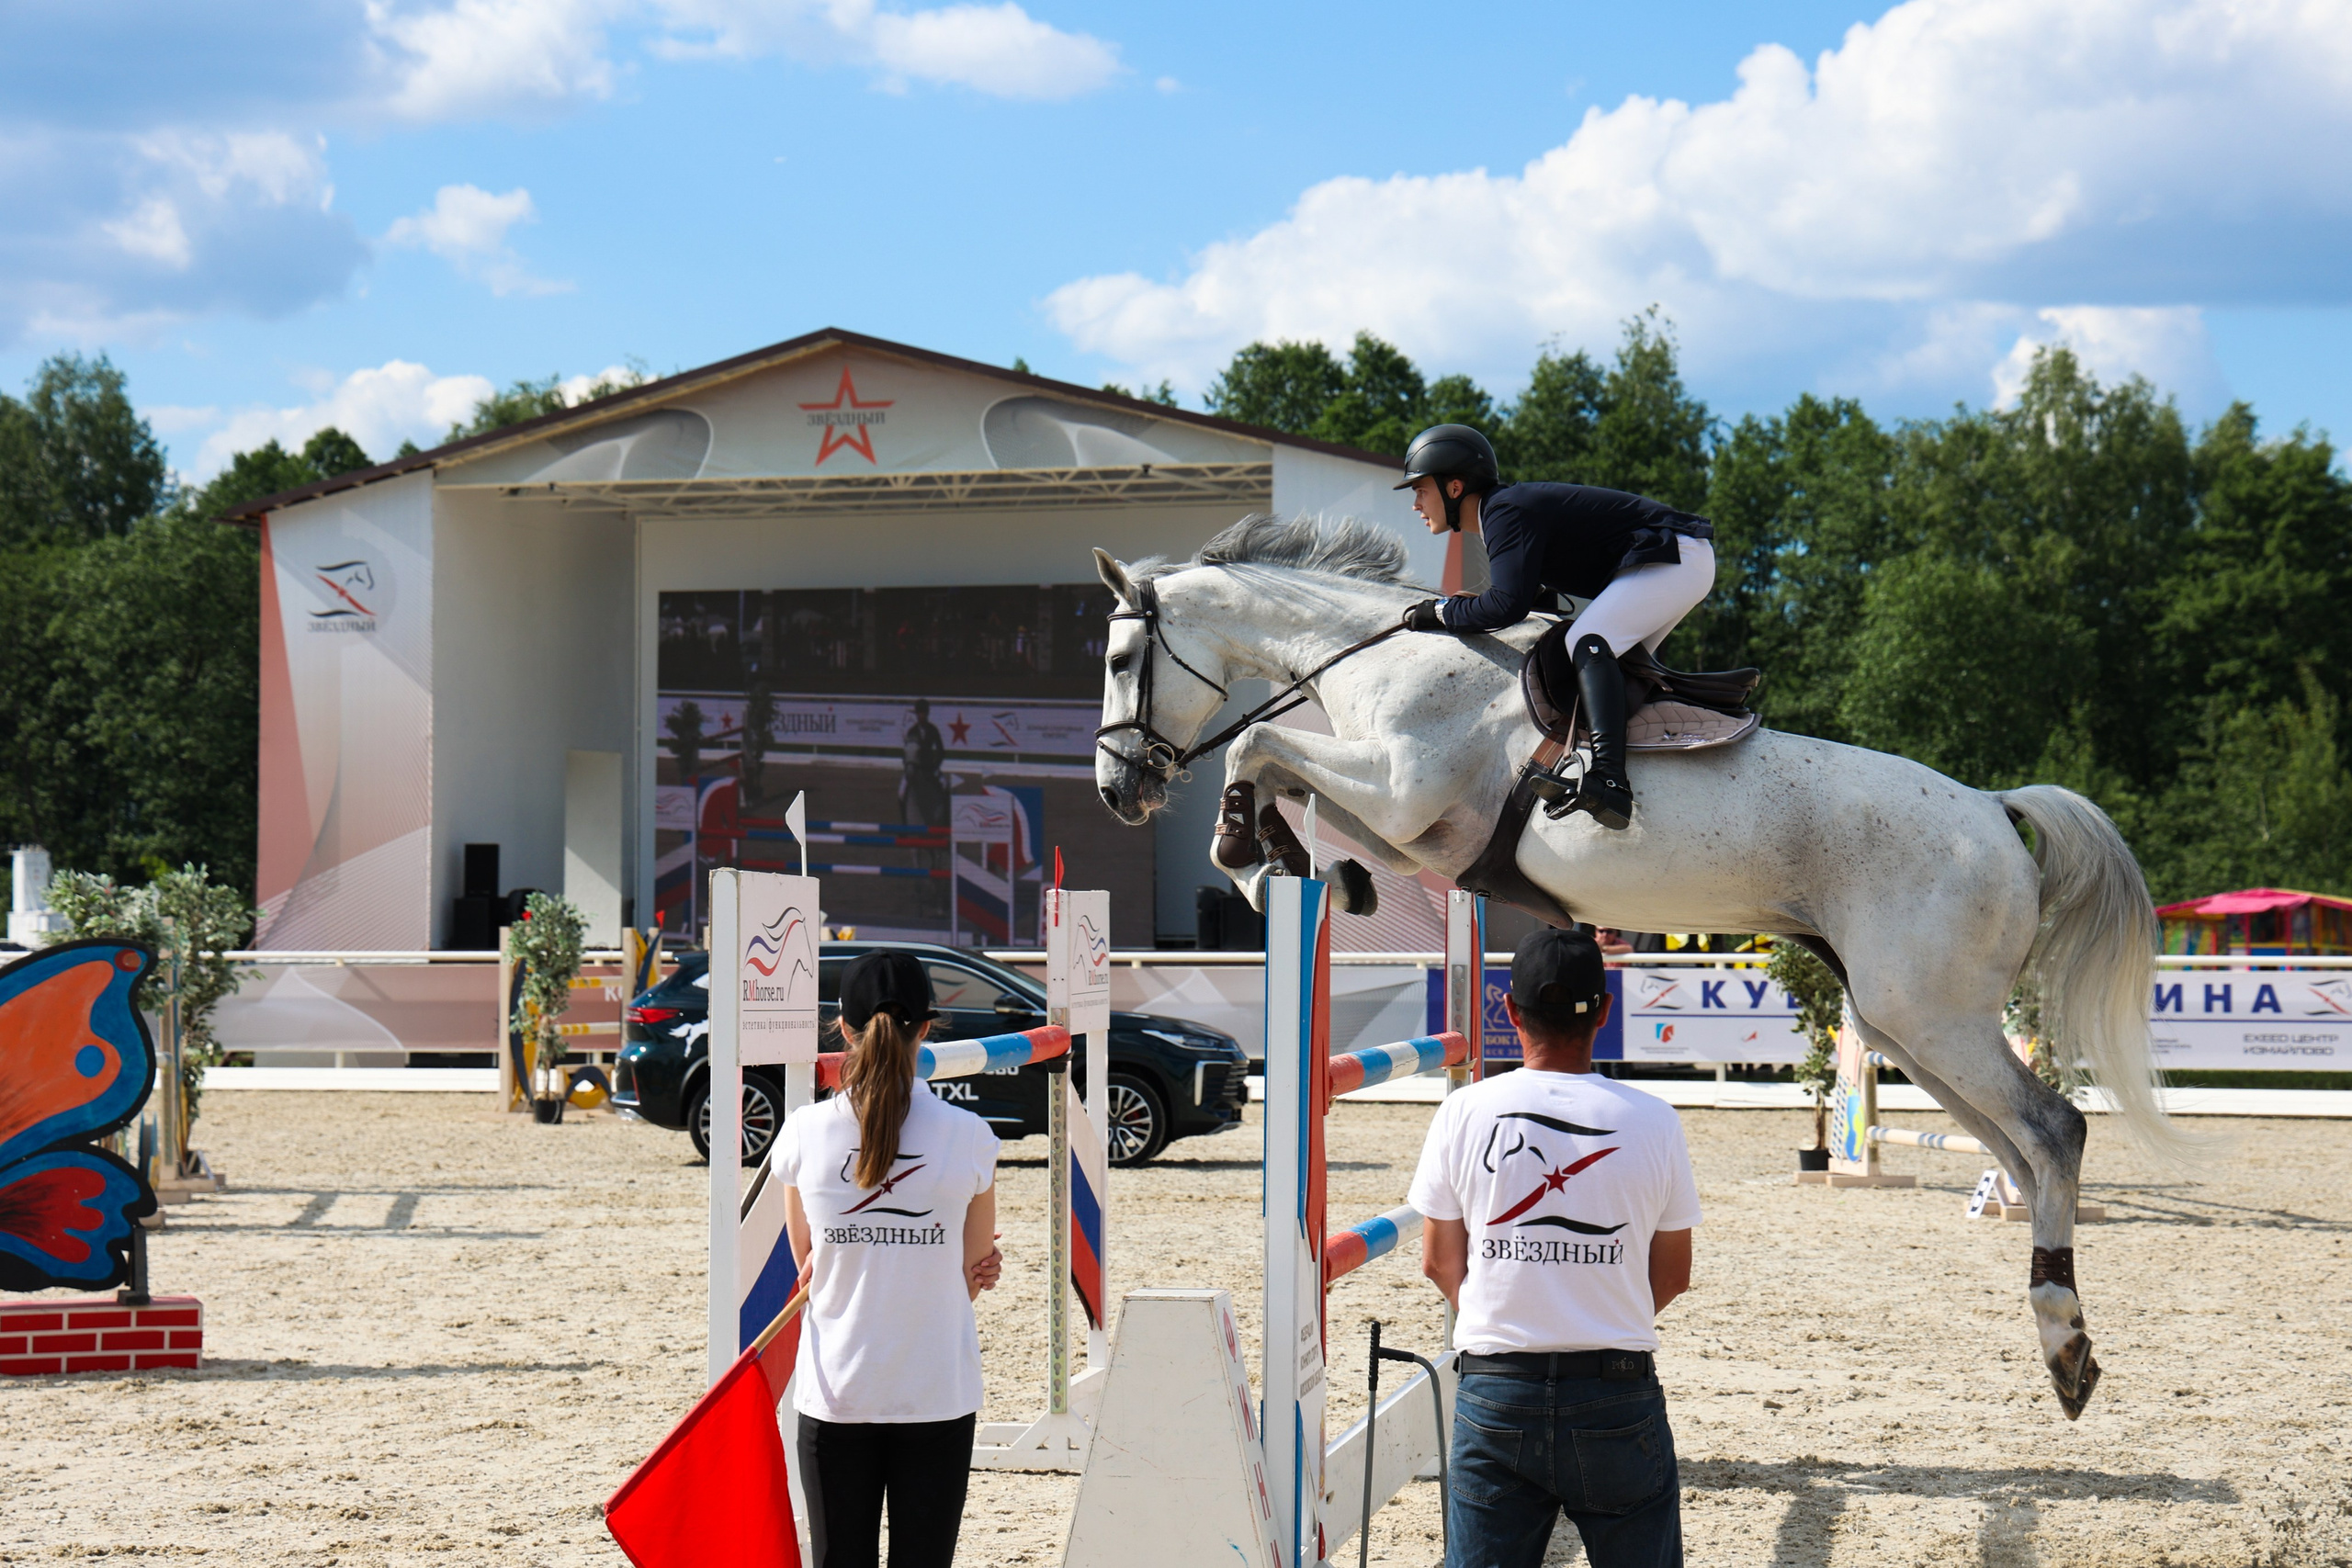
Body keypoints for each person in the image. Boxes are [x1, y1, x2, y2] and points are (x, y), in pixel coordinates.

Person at [1408, 927, 1700, 1568]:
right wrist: (1598, 1309)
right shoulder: (1655, 1118)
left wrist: (1512, 1309)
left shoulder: (1464, 1111)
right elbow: (1673, 1274)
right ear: (1605, 1009)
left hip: (1498, 1386)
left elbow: (1438, 1260)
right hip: (1614, 1387)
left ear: (1510, 1011)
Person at [778, 951, 1004, 1567]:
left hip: (837, 1390)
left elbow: (808, 1265)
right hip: (935, 1388)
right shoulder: (970, 1135)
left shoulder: (803, 1132)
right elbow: (971, 1275)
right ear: (926, 1028)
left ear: (843, 1028)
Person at [1393, 423, 1717, 830]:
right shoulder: (1503, 512)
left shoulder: (1504, 510)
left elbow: (1505, 606)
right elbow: (1523, 597)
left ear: (1454, 487)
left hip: (1674, 556)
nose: (1416, 504)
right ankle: (1641, 773)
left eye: (1420, 490)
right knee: (1616, 668)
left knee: (1587, 642)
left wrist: (1440, 612)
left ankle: (1610, 781)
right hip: (1679, 559)